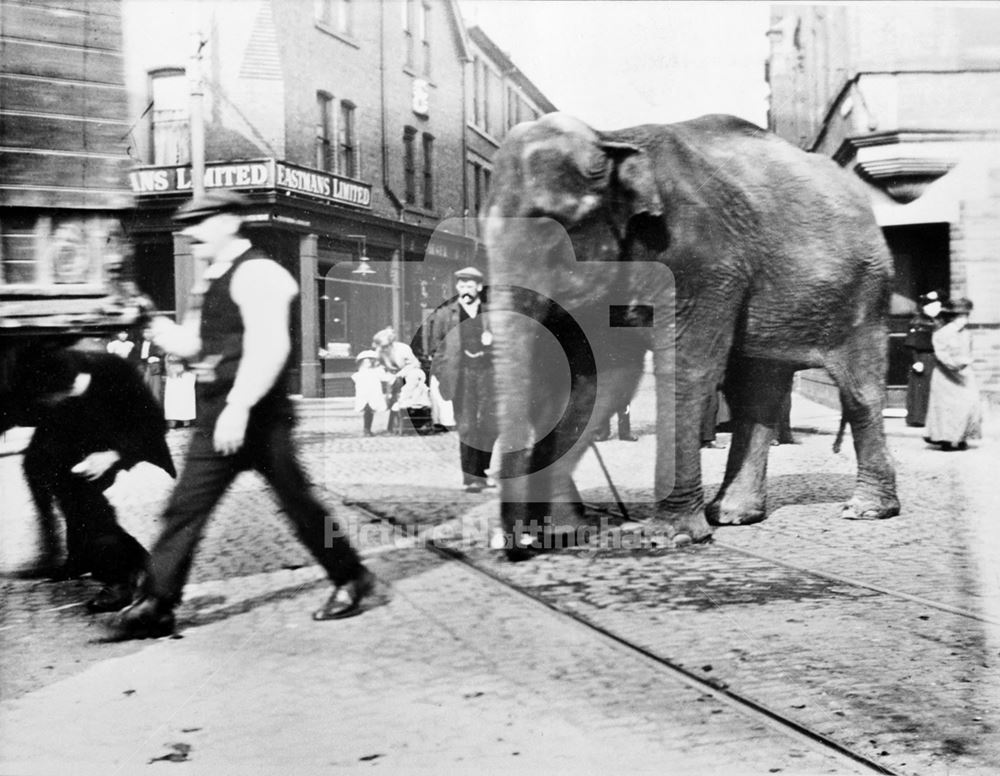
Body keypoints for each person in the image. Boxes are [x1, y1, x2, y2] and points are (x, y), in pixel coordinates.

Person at [109, 190, 383, 640]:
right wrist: (147, 319)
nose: (191, 232)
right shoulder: (213, 277)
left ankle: (352, 577)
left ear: (230, 222)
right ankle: (158, 603)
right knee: (185, 507)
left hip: (260, 415)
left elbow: (271, 347)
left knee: (299, 506)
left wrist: (239, 406)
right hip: (220, 412)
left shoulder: (259, 272)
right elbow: (195, 344)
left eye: (201, 221)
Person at [3, 347, 175, 612]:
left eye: (53, 399)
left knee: (88, 506)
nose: (48, 404)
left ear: (69, 387)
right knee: (37, 464)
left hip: (117, 443)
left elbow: (153, 425)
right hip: (76, 441)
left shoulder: (115, 373)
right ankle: (80, 555)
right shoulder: (51, 377)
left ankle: (128, 574)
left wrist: (113, 455)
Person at [422, 267, 497, 492]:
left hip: (487, 375)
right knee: (467, 426)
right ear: (457, 288)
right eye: (461, 285)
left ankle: (483, 470)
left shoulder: (490, 314)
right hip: (461, 377)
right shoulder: (446, 315)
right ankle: (471, 478)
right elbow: (435, 349)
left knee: (490, 425)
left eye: (469, 285)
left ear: (479, 288)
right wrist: (442, 373)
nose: (465, 290)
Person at [924, 297, 982, 451]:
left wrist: (967, 364)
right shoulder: (942, 333)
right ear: (953, 317)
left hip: (964, 375)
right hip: (946, 375)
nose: (965, 320)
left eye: (966, 316)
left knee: (970, 404)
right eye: (961, 316)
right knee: (947, 408)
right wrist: (956, 364)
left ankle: (962, 437)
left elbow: (968, 351)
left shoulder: (966, 334)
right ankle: (946, 440)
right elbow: (942, 355)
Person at [904, 290, 945, 427]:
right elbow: (910, 345)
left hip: (937, 358)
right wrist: (915, 361)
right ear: (926, 307)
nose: (936, 309)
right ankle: (918, 418)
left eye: (938, 306)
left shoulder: (941, 321)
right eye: (933, 306)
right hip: (922, 358)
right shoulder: (917, 322)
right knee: (920, 389)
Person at [371, 326, 420, 433]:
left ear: (392, 343)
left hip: (408, 374)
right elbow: (378, 366)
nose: (383, 349)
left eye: (385, 346)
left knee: (402, 394)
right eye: (381, 347)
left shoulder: (403, 349)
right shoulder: (380, 351)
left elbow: (415, 364)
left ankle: (403, 422)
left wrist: (401, 374)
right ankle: (391, 424)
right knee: (391, 397)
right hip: (392, 376)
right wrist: (385, 375)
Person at [351, 349, 387, 436]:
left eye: (369, 361)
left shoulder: (376, 371)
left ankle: (367, 429)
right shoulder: (360, 373)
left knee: (370, 411)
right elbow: (357, 381)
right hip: (364, 395)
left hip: (373, 394)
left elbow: (384, 378)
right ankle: (366, 429)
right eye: (365, 362)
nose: (367, 364)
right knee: (367, 411)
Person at [162, 354, 196, 428]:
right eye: (170, 361)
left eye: (175, 361)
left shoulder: (188, 375)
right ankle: (173, 425)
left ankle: (185, 424)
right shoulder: (169, 376)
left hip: (183, 401)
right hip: (173, 402)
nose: (173, 363)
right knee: (172, 410)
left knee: (184, 408)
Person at [137, 327, 165, 406]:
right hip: (142, 367)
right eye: (145, 332)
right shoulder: (139, 343)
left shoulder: (157, 344)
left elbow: (162, 355)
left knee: (155, 391)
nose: (147, 334)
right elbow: (135, 357)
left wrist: (156, 359)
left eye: (150, 332)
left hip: (153, 367)